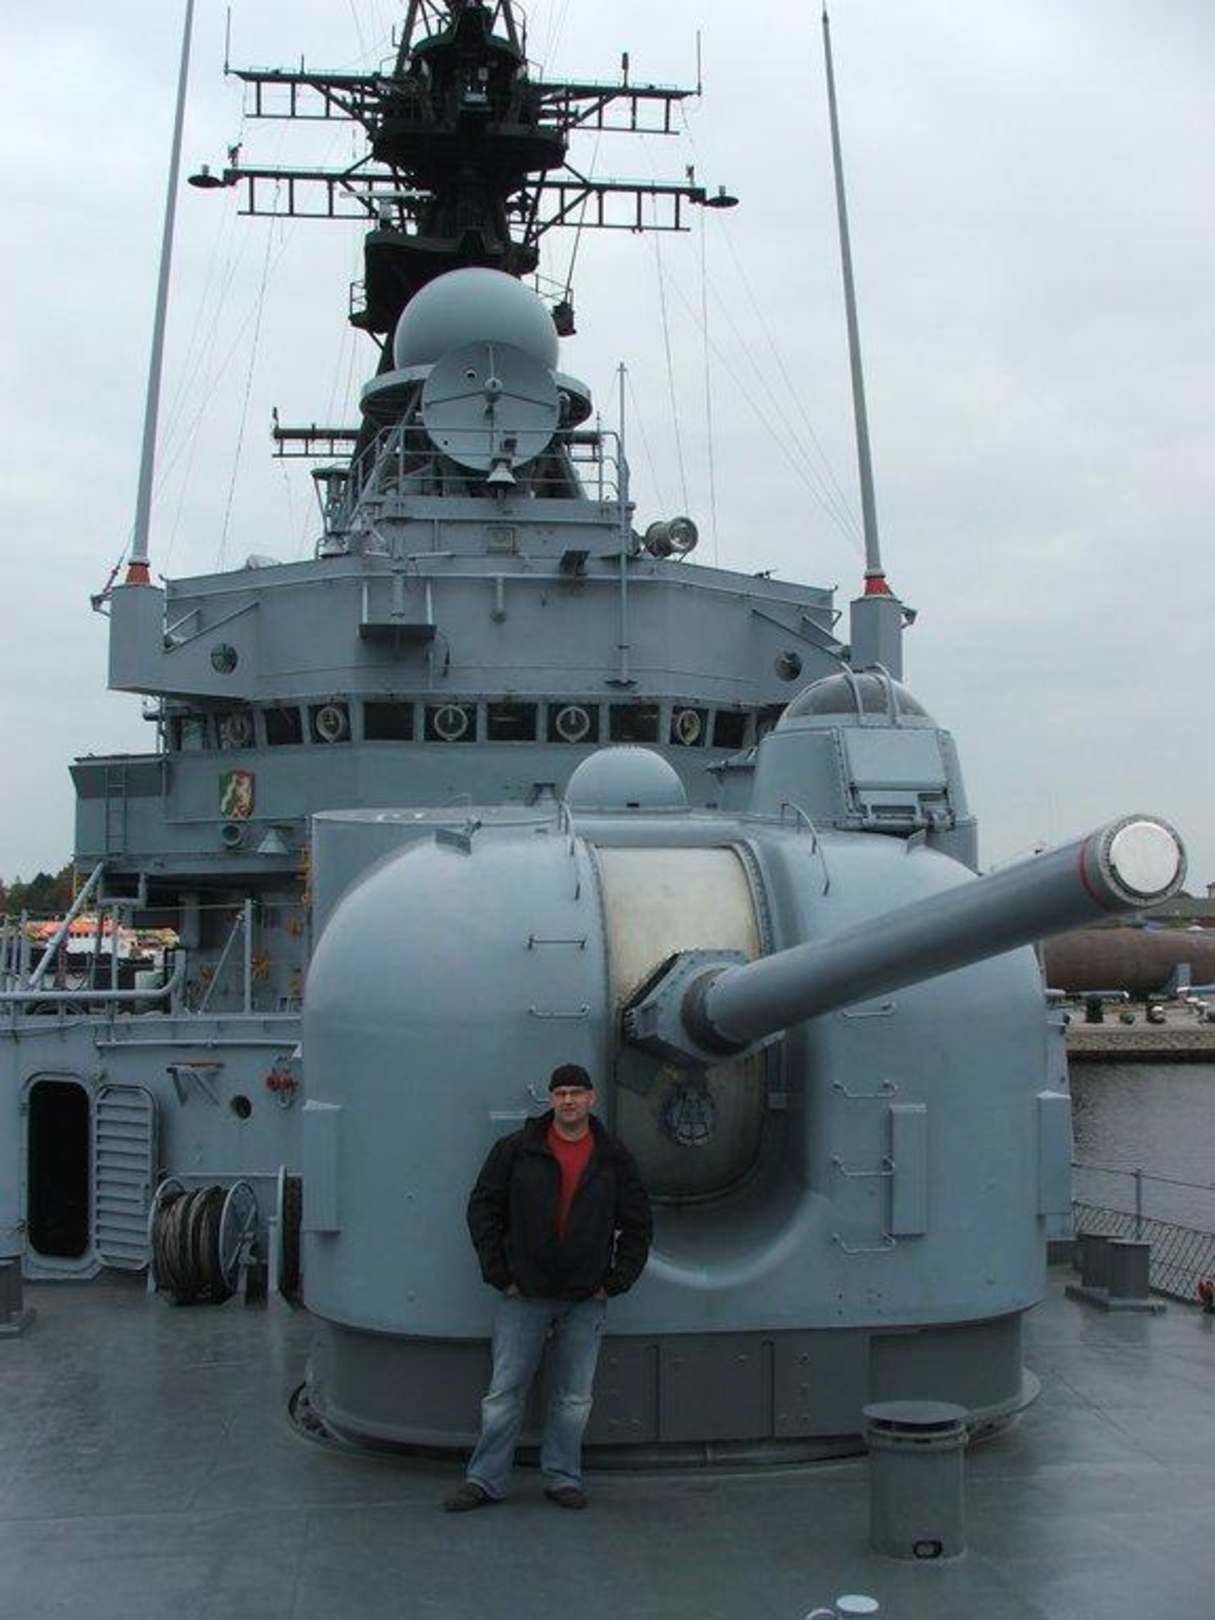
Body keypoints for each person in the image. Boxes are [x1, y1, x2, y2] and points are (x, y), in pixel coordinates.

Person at [443, 1063, 652, 1512]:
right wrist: (501, 1274)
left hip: (585, 1298)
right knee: (504, 1393)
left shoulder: (613, 1157)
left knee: (573, 1397)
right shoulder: (517, 1150)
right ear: (551, 1099)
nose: (568, 1100)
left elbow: (638, 1222)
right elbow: (483, 1207)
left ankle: (562, 1477)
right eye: (561, 1093)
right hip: (525, 1295)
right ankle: (485, 1479)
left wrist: (615, 1282)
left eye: (576, 1092)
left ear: (591, 1098)